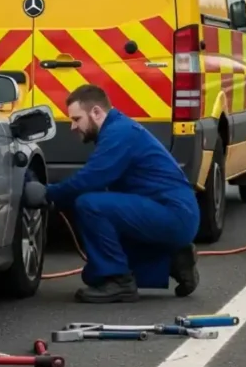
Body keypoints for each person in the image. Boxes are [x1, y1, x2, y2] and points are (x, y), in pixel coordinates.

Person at [43, 84, 201, 303]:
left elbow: (90, 179)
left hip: (174, 215)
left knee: (90, 205)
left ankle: (119, 282)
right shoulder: (117, 129)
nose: (73, 126)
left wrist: (47, 193)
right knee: (93, 275)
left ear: (96, 112)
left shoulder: (119, 133)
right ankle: (174, 262)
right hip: (169, 212)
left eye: (77, 119)